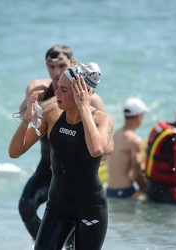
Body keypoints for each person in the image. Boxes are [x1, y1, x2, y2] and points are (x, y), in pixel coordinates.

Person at [9, 62, 114, 249]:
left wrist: (84, 108)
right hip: (58, 205)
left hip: (90, 207)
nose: (56, 93)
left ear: (82, 93)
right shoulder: (52, 113)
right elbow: (15, 152)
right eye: (58, 87)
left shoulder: (102, 120)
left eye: (64, 90)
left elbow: (96, 149)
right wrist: (25, 121)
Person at [106, 97, 149, 199]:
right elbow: (136, 172)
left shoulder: (115, 135)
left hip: (110, 191)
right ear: (139, 117)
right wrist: (146, 190)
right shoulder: (134, 140)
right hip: (125, 192)